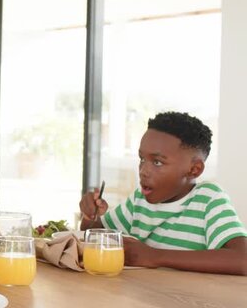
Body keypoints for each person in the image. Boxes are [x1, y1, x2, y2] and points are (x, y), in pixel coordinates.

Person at [80, 111, 247, 275]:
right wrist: (90, 216)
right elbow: (93, 237)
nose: (143, 171)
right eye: (142, 159)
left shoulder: (209, 199)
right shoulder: (139, 200)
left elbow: (243, 260)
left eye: (158, 162)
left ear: (194, 169)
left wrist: (154, 256)